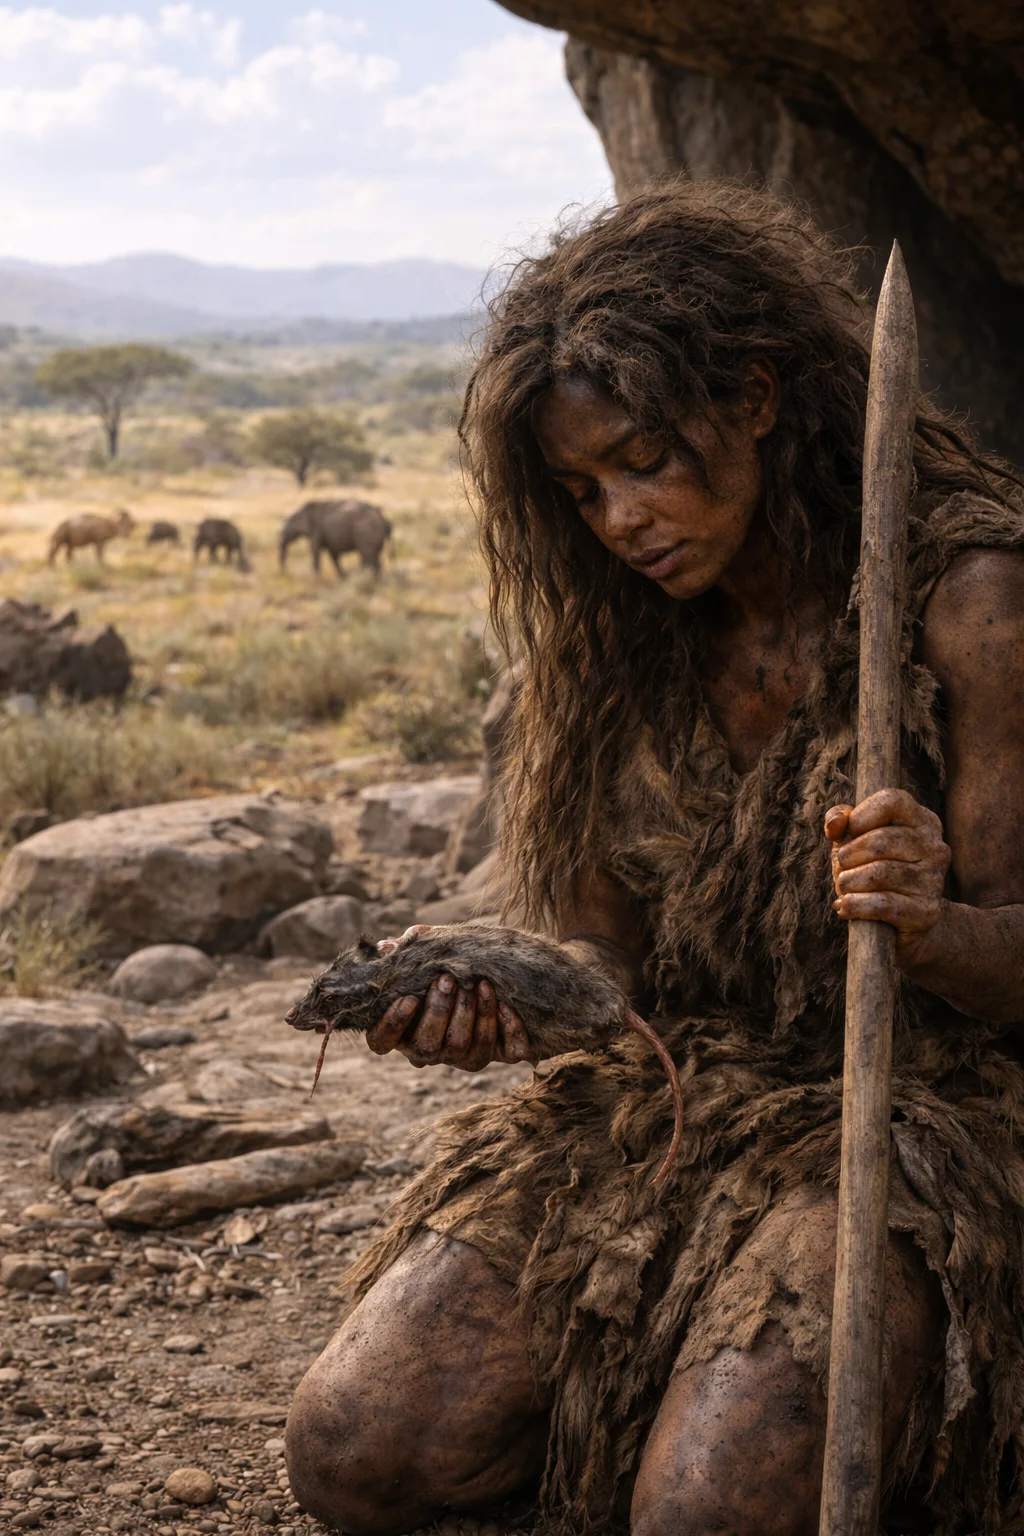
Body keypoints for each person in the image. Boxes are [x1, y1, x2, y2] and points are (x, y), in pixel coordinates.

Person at [284, 181, 1024, 1536]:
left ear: (752, 397)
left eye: (642, 460)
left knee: (707, 1511)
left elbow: (1017, 963)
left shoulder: (965, 596)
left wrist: (933, 926)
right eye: (582, 489)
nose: (619, 519)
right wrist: (506, 1007)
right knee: (355, 1450)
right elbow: (599, 959)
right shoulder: (612, 635)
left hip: (919, 1103)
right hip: (672, 1092)